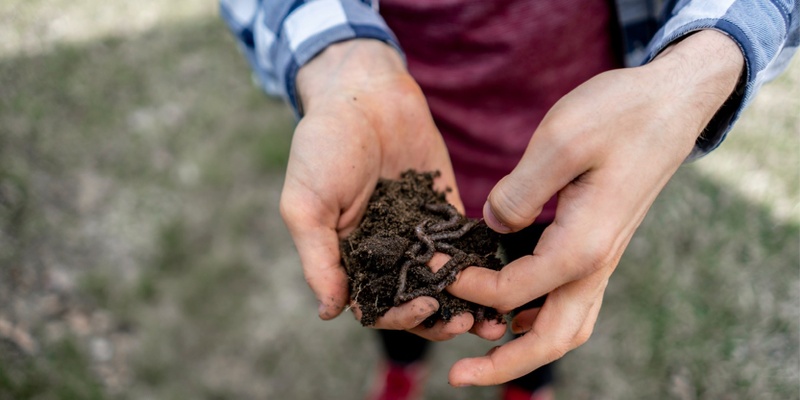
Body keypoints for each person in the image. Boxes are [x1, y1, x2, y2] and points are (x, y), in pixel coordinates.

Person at [220, 0, 799, 398]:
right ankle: (400, 369)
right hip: (403, 135)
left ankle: (529, 384)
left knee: (539, 294)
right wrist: (338, 59)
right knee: (399, 290)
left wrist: (700, 67)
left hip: (571, 151)